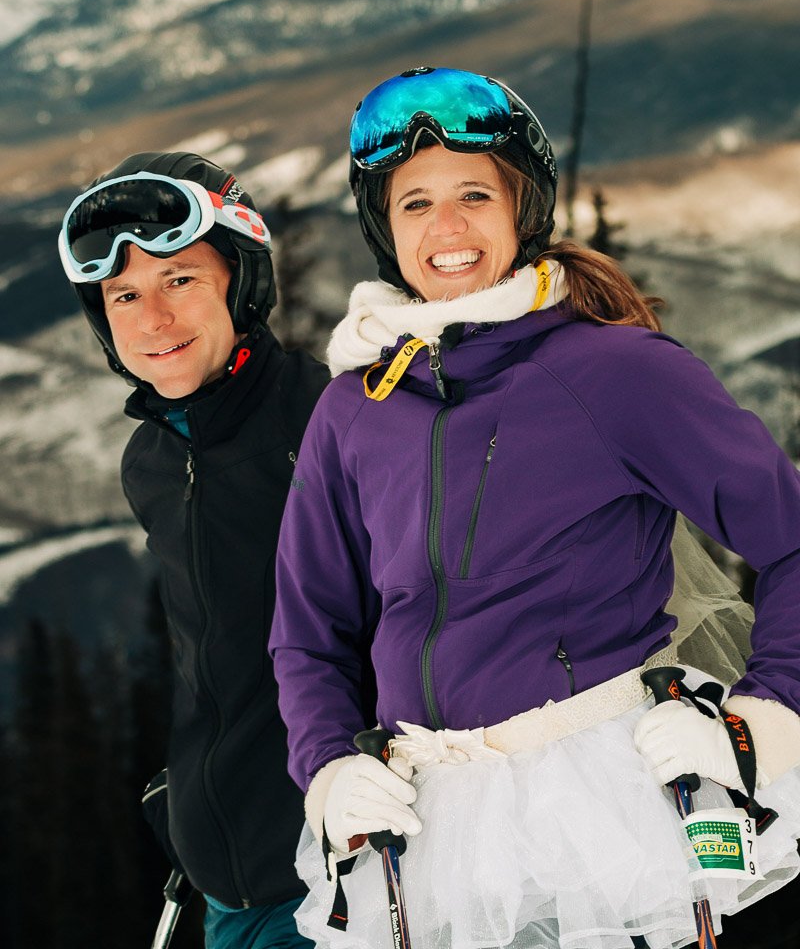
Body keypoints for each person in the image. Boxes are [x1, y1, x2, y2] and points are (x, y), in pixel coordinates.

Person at [269, 66, 800, 949]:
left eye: (475, 193)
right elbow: (309, 627)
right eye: (414, 204)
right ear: (382, 228)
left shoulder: (616, 372)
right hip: (430, 828)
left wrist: (767, 716)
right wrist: (324, 768)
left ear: (524, 208)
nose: (447, 228)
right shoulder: (352, 410)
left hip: (599, 805)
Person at [58, 150, 330, 949]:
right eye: (124, 296)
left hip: (338, 869)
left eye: (181, 280)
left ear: (240, 284)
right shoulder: (149, 458)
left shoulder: (327, 422)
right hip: (223, 878)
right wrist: (195, 787)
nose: (154, 319)